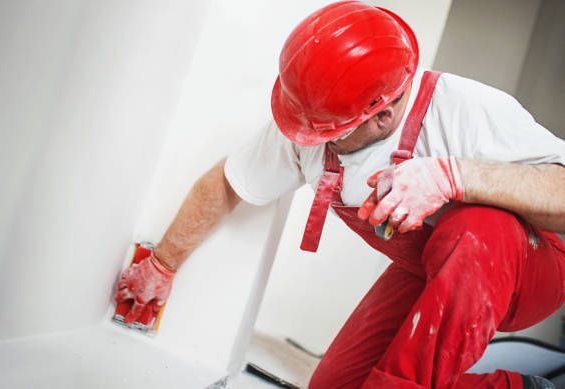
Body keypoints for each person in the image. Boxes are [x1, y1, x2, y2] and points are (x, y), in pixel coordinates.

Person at [115, 2, 565, 388]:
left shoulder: (466, 109)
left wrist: (453, 176)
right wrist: (162, 264)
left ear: (383, 116)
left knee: (477, 225)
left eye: (327, 132)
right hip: (434, 266)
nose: (309, 141)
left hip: (532, 265)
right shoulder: (313, 120)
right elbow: (226, 183)